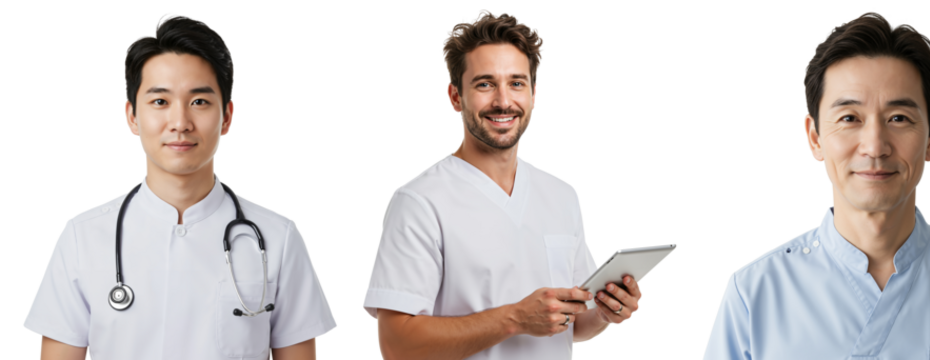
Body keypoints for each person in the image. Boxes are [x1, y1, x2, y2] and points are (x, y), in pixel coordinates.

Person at [703, 10, 930, 360]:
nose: (874, 146)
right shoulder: (753, 294)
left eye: (899, 118)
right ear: (815, 138)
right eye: (849, 118)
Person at [23, 11, 337, 360]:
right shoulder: (82, 237)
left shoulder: (278, 236)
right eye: (160, 101)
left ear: (227, 117)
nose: (180, 122)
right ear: (132, 117)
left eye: (199, 102)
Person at [363, 7, 643, 360]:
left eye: (516, 83)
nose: (503, 101)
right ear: (455, 97)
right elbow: (397, 345)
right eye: (484, 84)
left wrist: (604, 313)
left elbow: (573, 324)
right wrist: (514, 319)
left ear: (533, 95)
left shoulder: (561, 194)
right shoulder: (419, 201)